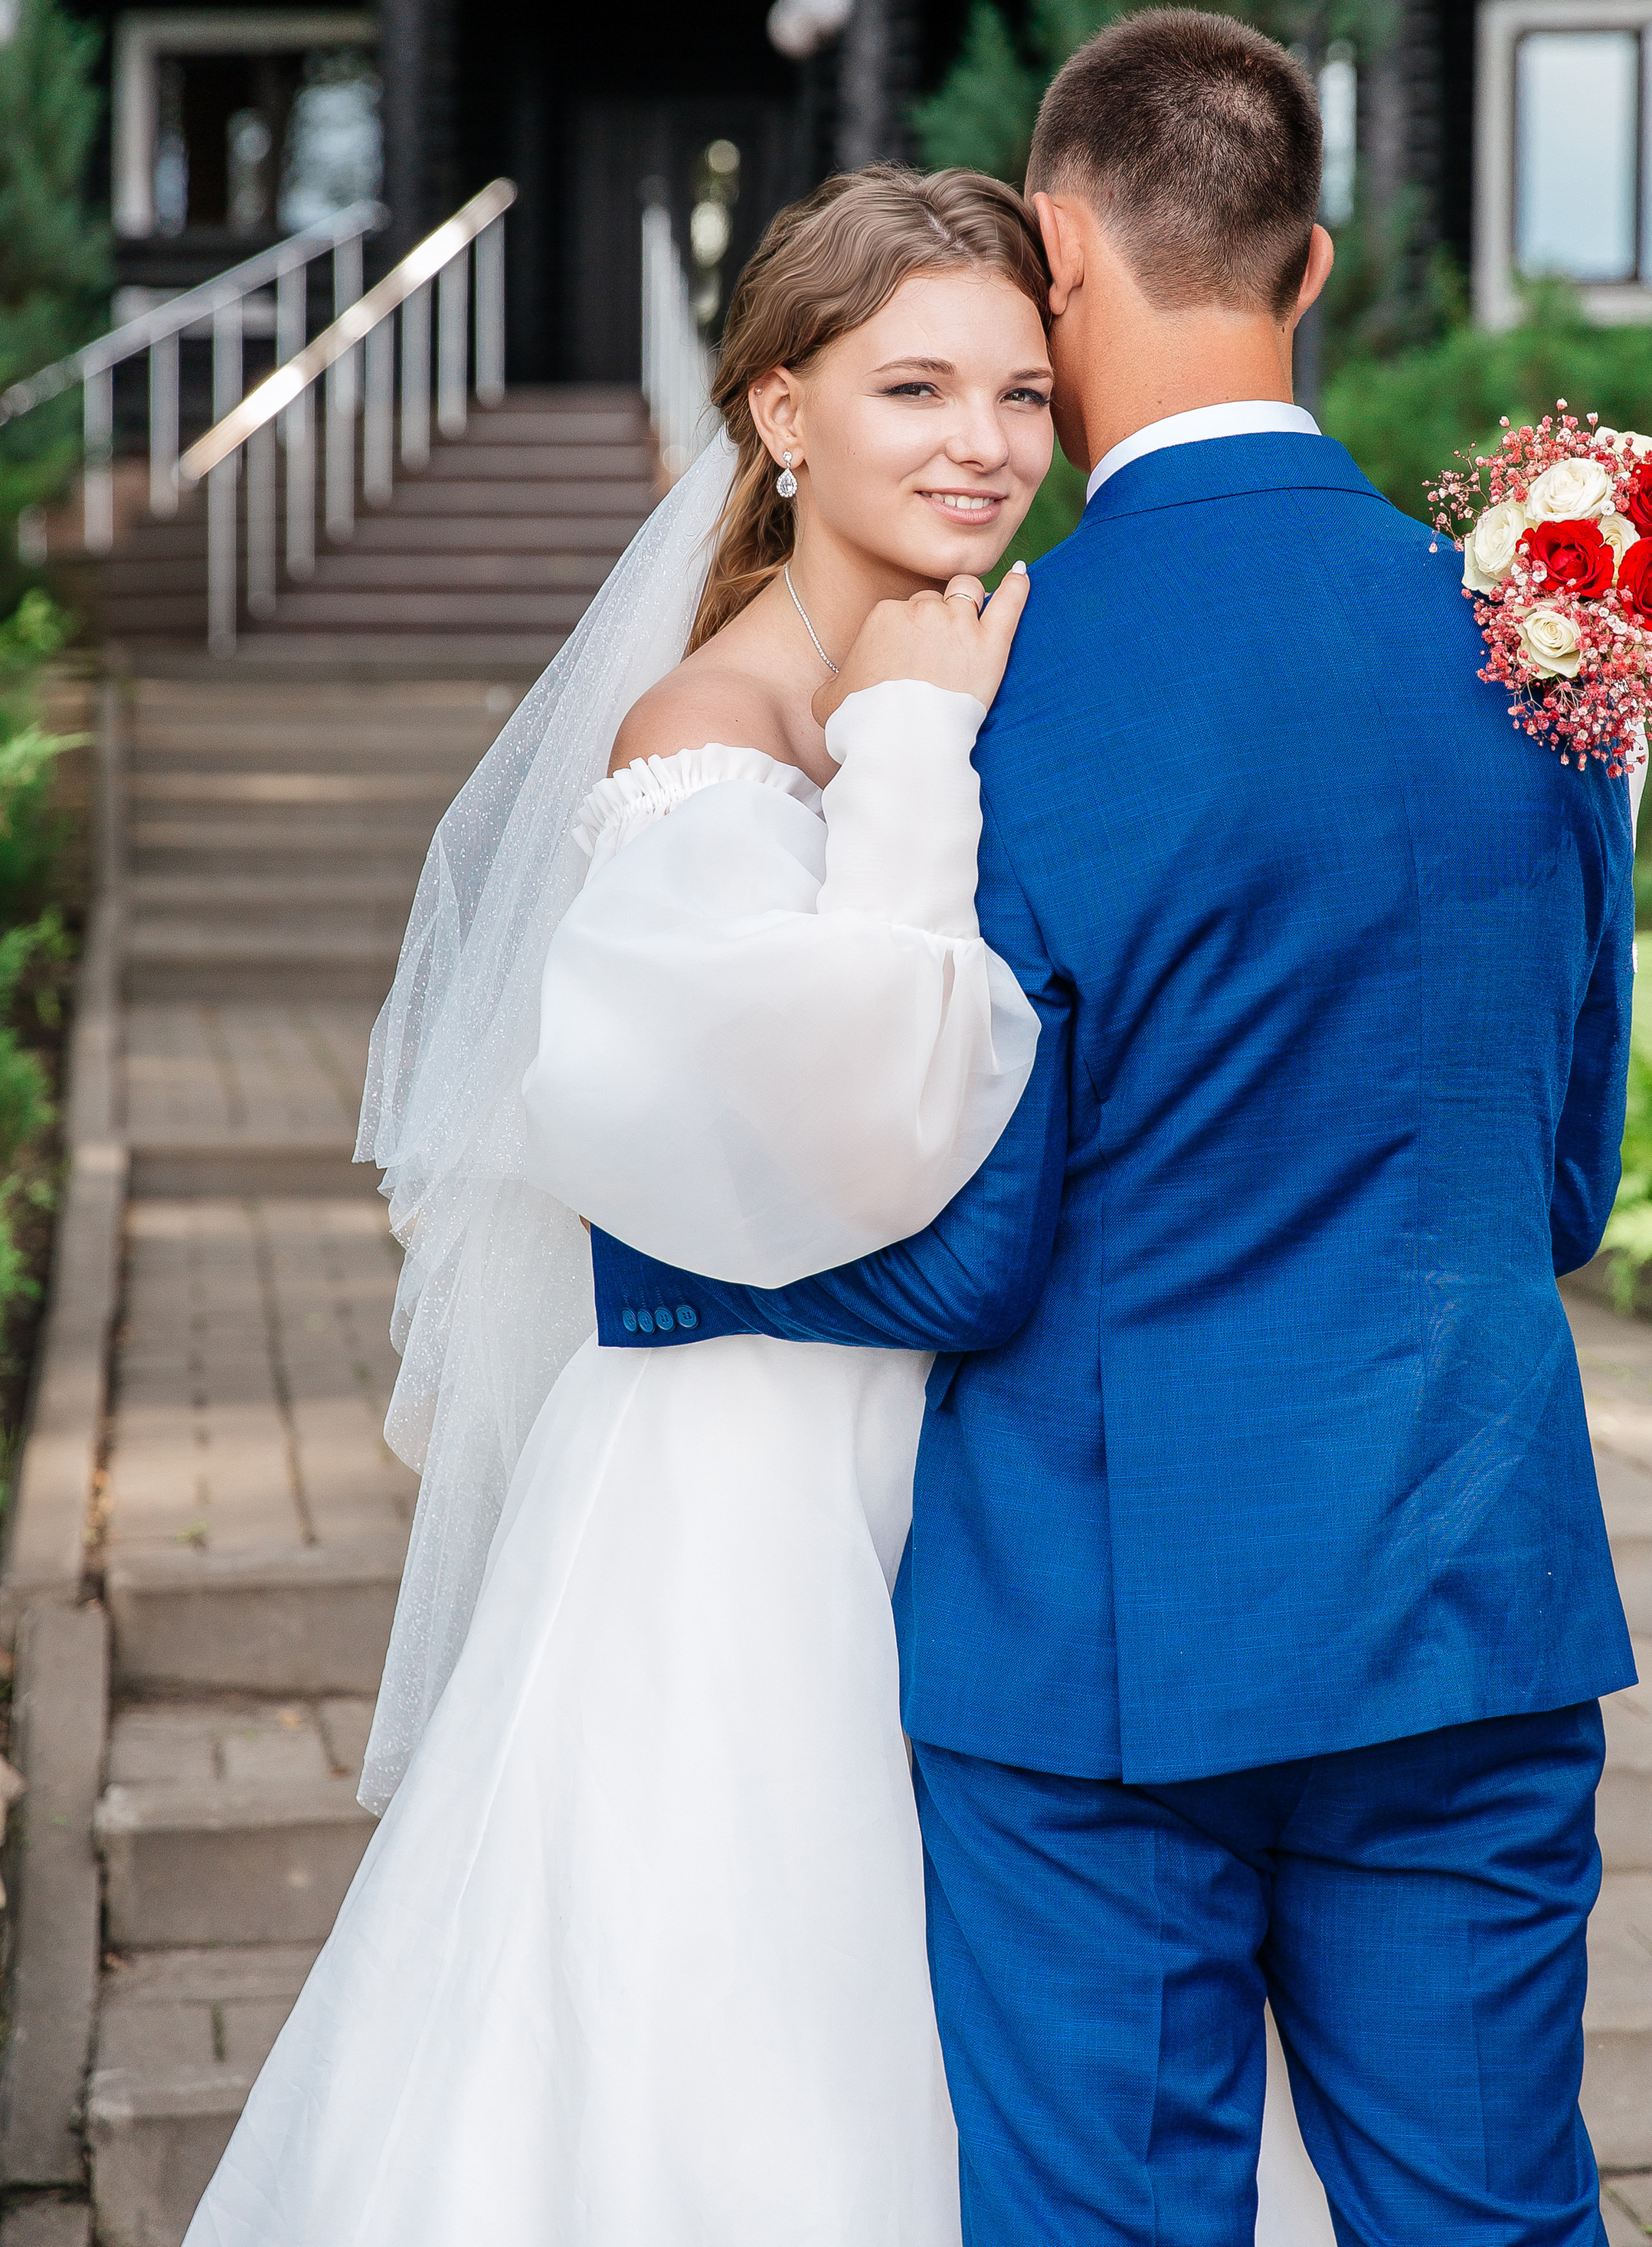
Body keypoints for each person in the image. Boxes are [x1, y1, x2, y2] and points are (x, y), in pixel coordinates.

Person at [581, 11, 1639, 2247]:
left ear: (1054, 252)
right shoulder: (1557, 641)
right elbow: (1560, 1181)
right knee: (1494, 2218)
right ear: (1317, 260)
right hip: (1472, 1594)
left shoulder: (981, 680)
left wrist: (661, 1264)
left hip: (1103, 1633)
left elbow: (966, 1238)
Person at [183, 167, 1119, 2245]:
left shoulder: (974, 667)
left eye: (1024, 395)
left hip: (941, 1461)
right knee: (745, 1986)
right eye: (915, 388)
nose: (984, 443)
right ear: (782, 416)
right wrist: (900, 744)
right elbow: (842, 1127)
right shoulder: (712, 725)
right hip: (744, 1477)